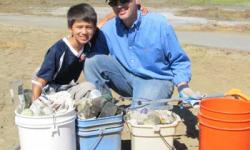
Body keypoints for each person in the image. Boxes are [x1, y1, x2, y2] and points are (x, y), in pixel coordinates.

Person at [84, 0, 201, 108]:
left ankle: (143, 104)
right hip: (126, 79)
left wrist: (183, 87)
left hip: (156, 80)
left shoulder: (159, 24)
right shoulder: (108, 29)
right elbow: (93, 55)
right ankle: (105, 107)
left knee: (140, 116)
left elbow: (178, 61)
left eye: (124, 0)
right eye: (113, 2)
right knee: (92, 61)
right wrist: (104, 20)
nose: (119, 6)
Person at [31, 3, 108, 102]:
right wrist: (35, 107)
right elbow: (40, 82)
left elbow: (103, 22)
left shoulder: (87, 44)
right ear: (70, 28)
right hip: (49, 89)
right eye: (79, 27)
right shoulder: (58, 50)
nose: (84, 32)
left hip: (67, 87)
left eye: (88, 27)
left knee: (90, 88)